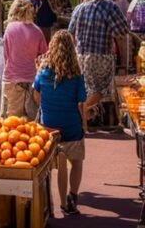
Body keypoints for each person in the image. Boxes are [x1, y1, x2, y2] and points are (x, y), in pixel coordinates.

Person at [34, 30, 88, 216]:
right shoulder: (77, 77)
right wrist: (84, 125)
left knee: (59, 165)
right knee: (77, 161)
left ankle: (61, 201)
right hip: (71, 126)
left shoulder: (43, 73)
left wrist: (47, 106)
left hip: (49, 126)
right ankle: (72, 196)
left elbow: (36, 95)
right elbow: (82, 104)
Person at [69, 0, 129, 121]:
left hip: (81, 57)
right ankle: (80, 112)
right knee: (101, 90)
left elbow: (70, 33)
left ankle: (83, 116)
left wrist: (74, 55)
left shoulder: (79, 8)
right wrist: (124, 64)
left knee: (86, 89)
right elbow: (122, 33)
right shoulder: (109, 6)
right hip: (101, 56)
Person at [1, 0, 48, 118]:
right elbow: (44, 56)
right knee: (31, 123)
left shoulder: (9, 29)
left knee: (10, 123)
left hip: (12, 79)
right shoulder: (37, 31)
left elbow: (6, 55)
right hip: (32, 80)